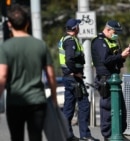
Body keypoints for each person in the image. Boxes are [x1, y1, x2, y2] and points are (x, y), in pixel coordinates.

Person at [0, 4, 58, 141]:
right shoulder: (40, 45)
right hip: (37, 101)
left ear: (9, 24)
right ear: (27, 23)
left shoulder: (5, 47)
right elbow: (50, 75)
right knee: (36, 136)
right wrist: (54, 98)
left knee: (16, 137)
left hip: (15, 101)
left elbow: (2, 76)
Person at [58, 18, 99, 141]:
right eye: (78, 26)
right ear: (75, 28)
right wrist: (76, 73)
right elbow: (69, 59)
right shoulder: (70, 41)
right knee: (84, 105)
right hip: (74, 78)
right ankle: (85, 135)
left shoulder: (64, 39)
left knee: (68, 107)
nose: (79, 28)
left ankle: (67, 135)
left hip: (68, 77)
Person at [91, 20, 130, 141]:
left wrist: (124, 55)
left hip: (115, 78)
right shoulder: (99, 42)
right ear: (108, 29)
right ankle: (108, 136)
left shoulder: (112, 41)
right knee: (108, 108)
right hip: (106, 79)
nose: (116, 35)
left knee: (120, 108)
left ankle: (119, 133)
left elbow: (117, 59)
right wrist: (121, 56)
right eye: (115, 32)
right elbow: (106, 60)